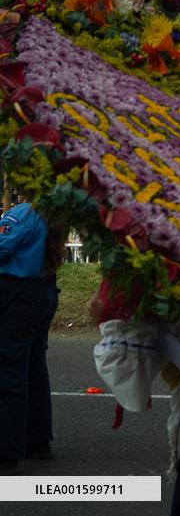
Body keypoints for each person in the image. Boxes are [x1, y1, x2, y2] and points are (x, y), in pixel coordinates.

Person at [0, 198, 64, 475]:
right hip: (43, 290)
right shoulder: (56, 211)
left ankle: (6, 450)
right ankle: (37, 440)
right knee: (34, 368)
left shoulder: (24, 213)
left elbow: (2, 247)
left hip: (19, 293)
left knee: (9, 369)